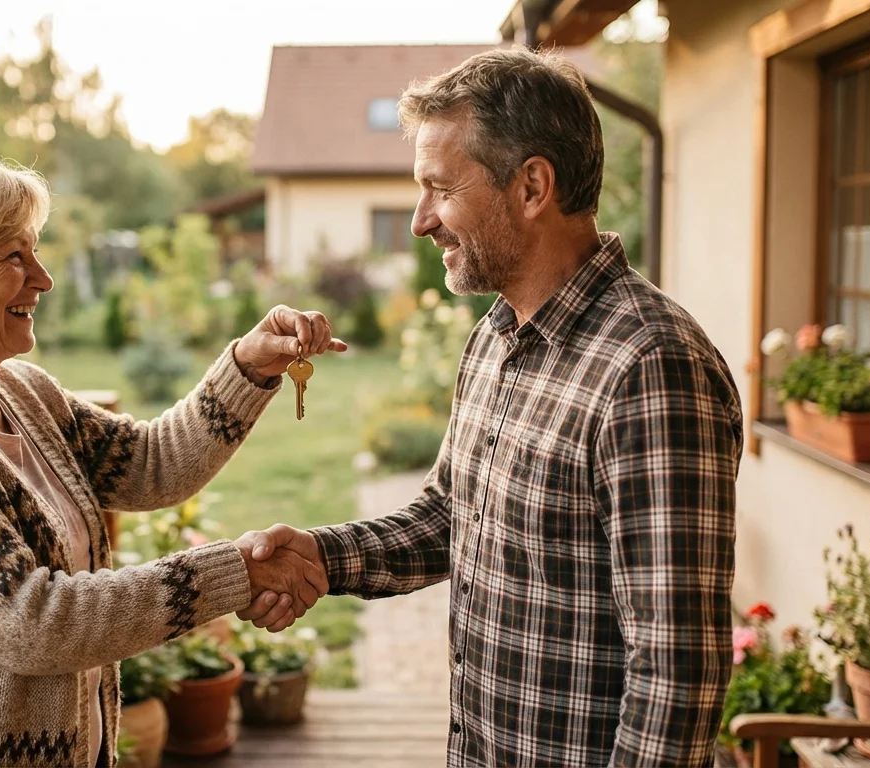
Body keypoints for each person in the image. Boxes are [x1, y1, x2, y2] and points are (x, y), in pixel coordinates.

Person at [237, 48, 744, 767]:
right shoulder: (495, 337)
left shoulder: (651, 369)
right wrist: (322, 555)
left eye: (439, 189)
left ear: (533, 185)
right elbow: (451, 516)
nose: (420, 222)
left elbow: (676, 676)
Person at [0, 146, 338, 768]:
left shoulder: (18, 390)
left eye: (34, 251)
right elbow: (33, 620)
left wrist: (247, 368)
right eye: (13, 255)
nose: (42, 277)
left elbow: (150, 465)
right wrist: (233, 574)